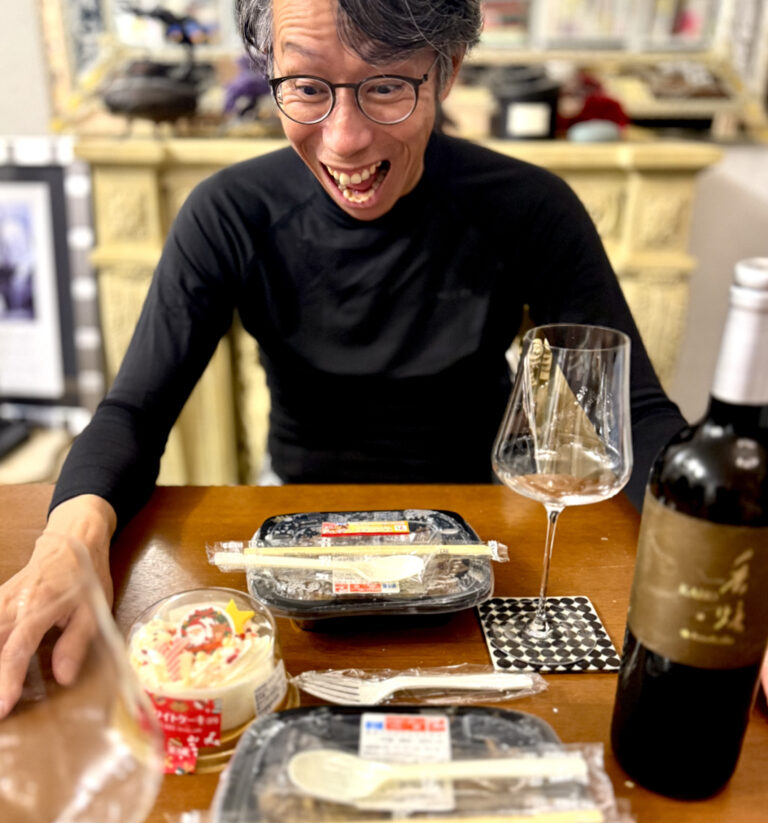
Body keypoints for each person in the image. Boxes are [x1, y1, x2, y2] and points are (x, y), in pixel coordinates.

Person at [0, 0, 687, 718]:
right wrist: (67, 539)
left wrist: (727, 561)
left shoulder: (529, 208)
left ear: (446, 71)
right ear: (271, 74)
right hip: (295, 528)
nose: (346, 139)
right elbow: (135, 412)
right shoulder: (230, 213)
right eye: (306, 87)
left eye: (386, 86)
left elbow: (635, 413)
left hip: (480, 537)